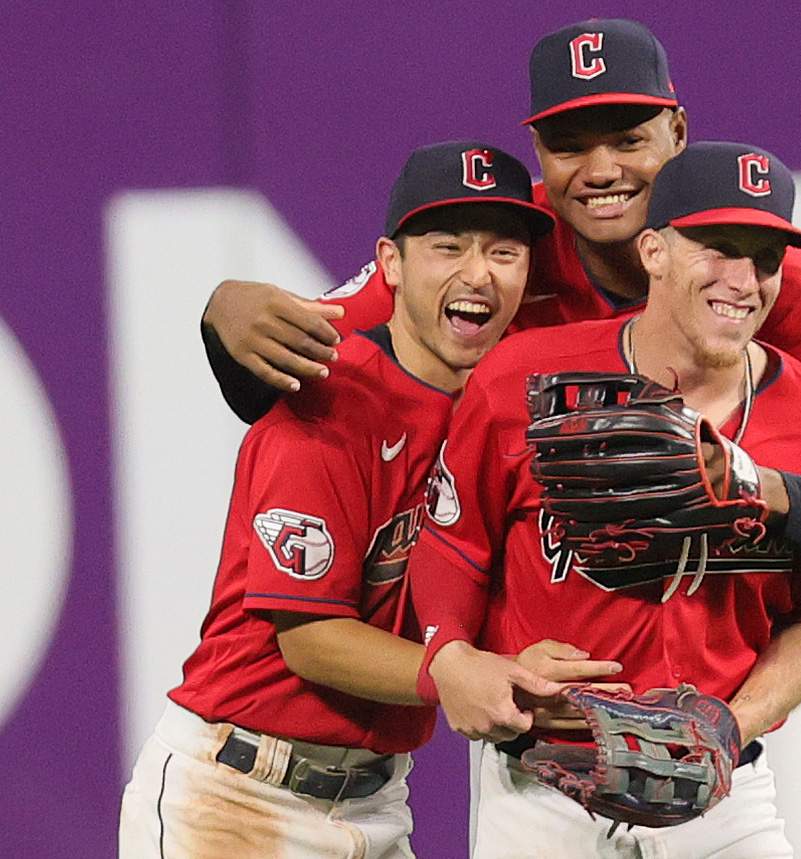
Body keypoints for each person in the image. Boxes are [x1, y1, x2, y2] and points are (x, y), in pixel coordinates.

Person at [196, 19, 801, 856]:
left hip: (738, 711)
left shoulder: (776, 288)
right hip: (551, 721)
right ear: (539, 151)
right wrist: (223, 319)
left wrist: (754, 485)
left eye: (628, 136)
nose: (602, 169)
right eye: (570, 143)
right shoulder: (512, 248)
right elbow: (309, 376)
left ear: (676, 134)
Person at [118, 141, 619, 859]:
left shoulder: (506, 415)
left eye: (505, 252)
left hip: (378, 803)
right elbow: (310, 637)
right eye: (447, 245)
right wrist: (452, 670)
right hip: (237, 796)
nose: (477, 272)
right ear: (391, 264)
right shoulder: (329, 402)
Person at [409, 141, 801, 858]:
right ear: (653, 251)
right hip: (544, 789)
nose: (742, 279)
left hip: (724, 799)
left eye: (765, 257)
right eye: (717, 247)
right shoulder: (523, 377)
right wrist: (451, 655)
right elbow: (452, 545)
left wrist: (734, 724)